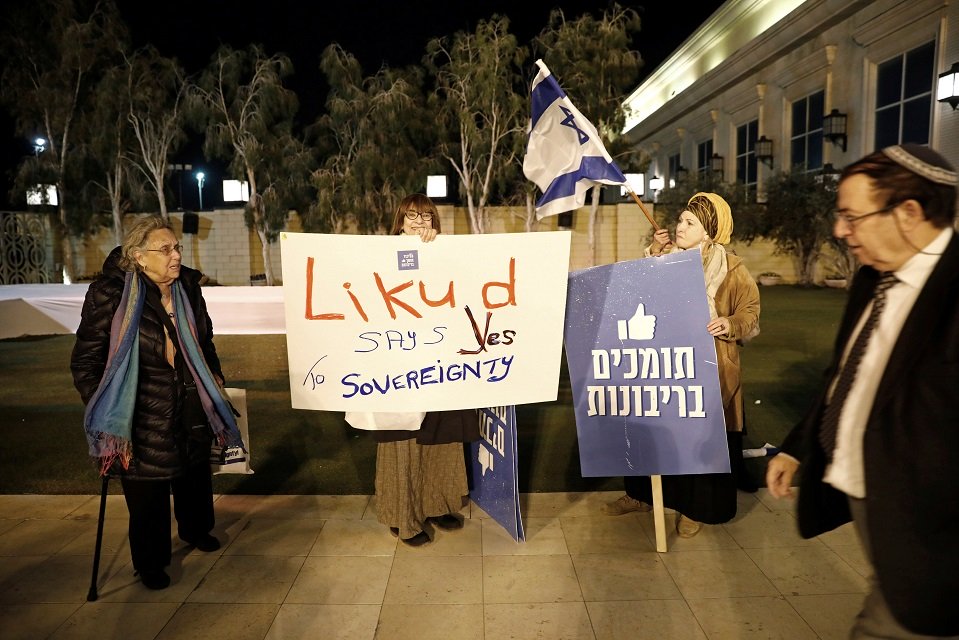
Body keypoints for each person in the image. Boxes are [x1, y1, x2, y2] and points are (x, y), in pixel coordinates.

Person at [766, 144, 959, 638]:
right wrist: (798, 446)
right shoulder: (875, 276)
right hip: (872, 504)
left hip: (931, 533)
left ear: (909, 214)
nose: (839, 230)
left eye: (852, 216)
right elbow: (847, 372)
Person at [71, 216, 243, 590]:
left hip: (190, 401)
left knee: (193, 473)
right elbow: (85, 360)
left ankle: (197, 530)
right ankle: (150, 562)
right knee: (146, 492)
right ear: (138, 256)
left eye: (177, 247)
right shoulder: (111, 293)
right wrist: (103, 403)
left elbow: (205, 342)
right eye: (165, 249)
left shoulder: (188, 289)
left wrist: (215, 376)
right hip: (137, 411)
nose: (176, 255)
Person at [603, 192, 760, 537]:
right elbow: (638, 296)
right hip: (662, 365)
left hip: (709, 367)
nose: (680, 226)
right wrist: (655, 255)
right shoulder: (664, 260)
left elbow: (750, 313)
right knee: (653, 433)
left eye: (690, 223)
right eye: (680, 220)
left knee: (700, 440)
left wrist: (730, 324)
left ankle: (697, 509)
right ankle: (642, 494)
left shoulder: (732, 269)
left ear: (708, 232)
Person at [367, 194, 479, 546]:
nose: (419, 222)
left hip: (441, 361)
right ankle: (404, 516)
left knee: (441, 437)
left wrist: (435, 252)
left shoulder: (444, 252)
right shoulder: (384, 254)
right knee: (404, 440)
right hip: (398, 363)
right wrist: (417, 252)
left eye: (426, 216)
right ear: (399, 221)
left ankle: (437, 502)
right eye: (411, 216)